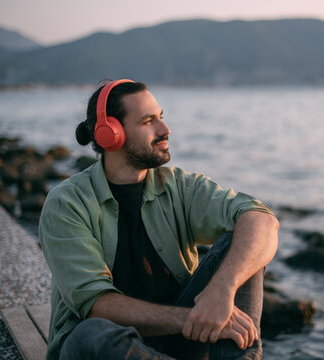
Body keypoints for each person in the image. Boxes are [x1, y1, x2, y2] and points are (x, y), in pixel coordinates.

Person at [38, 79, 279, 360]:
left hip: (181, 342)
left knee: (242, 243)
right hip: (107, 347)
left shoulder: (180, 186)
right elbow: (98, 306)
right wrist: (195, 317)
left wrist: (222, 288)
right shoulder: (68, 203)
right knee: (90, 333)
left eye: (160, 117)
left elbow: (262, 219)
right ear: (110, 134)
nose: (165, 129)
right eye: (148, 121)